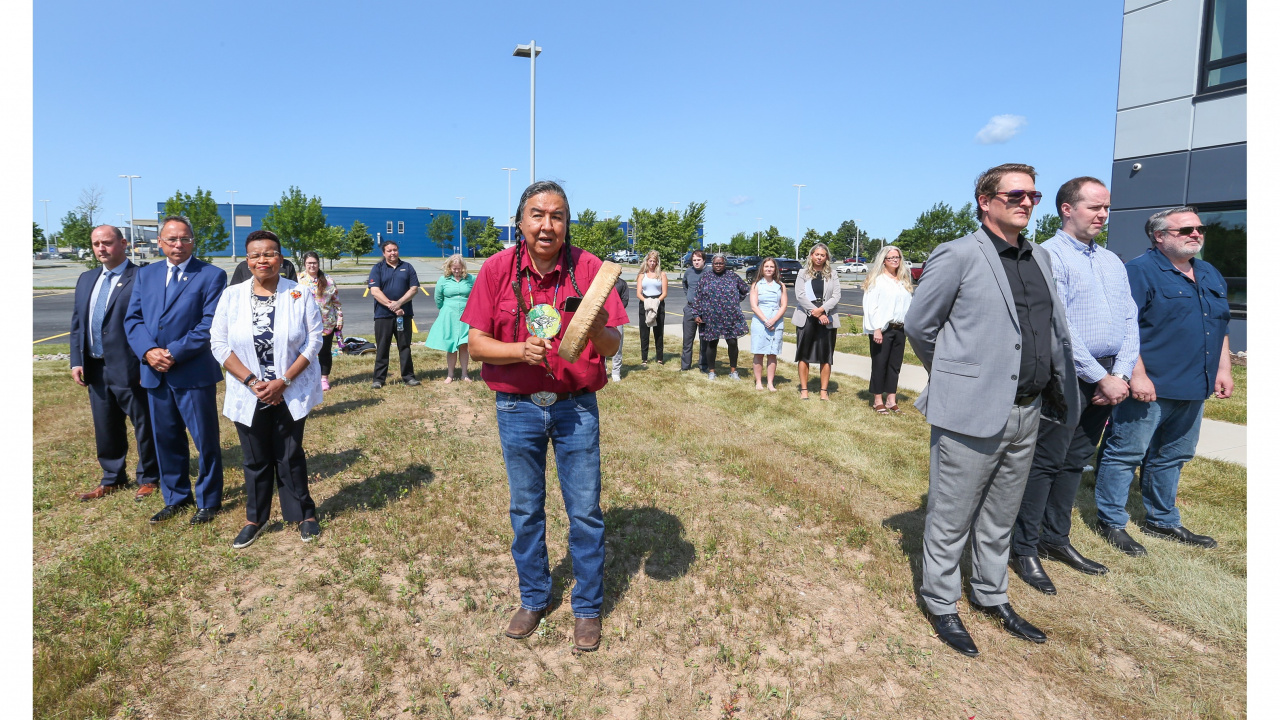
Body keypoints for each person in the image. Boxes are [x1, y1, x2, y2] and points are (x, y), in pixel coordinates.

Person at [904, 163, 1080, 657]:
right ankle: (941, 602)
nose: (1027, 202)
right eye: (1016, 194)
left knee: (1000, 515)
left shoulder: (1040, 258)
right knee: (951, 515)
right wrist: (959, 376)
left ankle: (989, 593)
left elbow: (1049, 331)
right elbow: (920, 326)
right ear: (986, 201)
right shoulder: (957, 254)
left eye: (1034, 195)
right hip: (971, 411)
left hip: (1028, 410)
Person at [462, 180, 626, 652]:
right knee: (526, 509)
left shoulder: (591, 270)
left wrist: (594, 323)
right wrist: (519, 351)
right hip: (517, 408)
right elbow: (475, 346)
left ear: (567, 223)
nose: (547, 224)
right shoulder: (496, 269)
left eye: (557, 215)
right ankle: (534, 597)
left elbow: (614, 346)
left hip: (576, 409)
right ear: (521, 222)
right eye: (537, 215)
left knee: (585, 512)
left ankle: (588, 608)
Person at [1010, 177, 1136, 594]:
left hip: (1108, 376)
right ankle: (1023, 546)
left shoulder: (1112, 261)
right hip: (1068, 373)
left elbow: (1129, 320)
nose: (1102, 214)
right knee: (1045, 462)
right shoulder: (1048, 256)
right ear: (1067, 209)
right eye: (1094, 207)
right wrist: (1099, 377)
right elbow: (1057, 326)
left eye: (1106, 208)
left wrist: (1119, 373)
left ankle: (1055, 537)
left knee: (1076, 459)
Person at [1092, 206, 1232, 555]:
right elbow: (1126, 328)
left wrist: (1223, 369)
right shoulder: (1139, 271)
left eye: (1199, 228)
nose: (1195, 234)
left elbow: (1221, 325)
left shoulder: (1210, 273)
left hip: (1194, 386)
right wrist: (1136, 375)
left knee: (1174, 454)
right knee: (1126, 453)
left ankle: (1163, 520)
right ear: (1159, 236)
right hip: (1150, 387)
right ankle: (1110, 521)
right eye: (1185, 230)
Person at [211, 230, 324, 548]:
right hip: (249, 391)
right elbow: (218, 343)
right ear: (247, 261)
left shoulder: (299, 294)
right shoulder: (231, 296)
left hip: (288, 389)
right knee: (255, 458)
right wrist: (250, 381)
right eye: (256, 255)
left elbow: (314, 340)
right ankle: (255, 518)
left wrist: (284, 381)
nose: (263, 260)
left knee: (290, 454)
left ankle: (304, 514)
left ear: (281, 258)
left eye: (270, 253)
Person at [124, 215, 229, 525]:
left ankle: (209, 501)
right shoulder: (146, 275)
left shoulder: (211, 275)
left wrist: (173, 352)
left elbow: (209, 323)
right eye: (171, 239)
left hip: (192, 372)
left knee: (204, 440)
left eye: (185, 238)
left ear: (193, 241)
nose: (178, 244)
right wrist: (148, 351)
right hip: (155, 373)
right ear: (160, 242)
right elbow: (133, 320)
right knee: (166, 439)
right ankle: (176, 498)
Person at [70, 225, 160, 501]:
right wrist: (76, 360)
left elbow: (149, 323)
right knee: (105, 424)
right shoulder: (87, 279)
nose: (101, 248)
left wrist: (146, 360)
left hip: (130, 365)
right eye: (96, 243)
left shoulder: (142, 277)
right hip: (95, 367)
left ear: (123, 243)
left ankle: (149, 476)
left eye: (107, 242)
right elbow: (77, 323)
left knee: (144, 423)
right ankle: (112, 477)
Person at [861, 245, 914, 413]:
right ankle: (878, 400)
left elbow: (908, 305)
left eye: (897, 257)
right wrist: (875, 328)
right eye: (891, 258)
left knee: (894, 365)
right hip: (883, 329)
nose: (895, 260)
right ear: (884, 261)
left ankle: (891, 399)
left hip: (900, 329)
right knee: (880, 364)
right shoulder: (877, 280)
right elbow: (871, 306)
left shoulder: (904, 281)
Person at [367, 240, 421, 388]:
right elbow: (375, 291)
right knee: (383, 347)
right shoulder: (377, 268)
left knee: (404, 346)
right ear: (384, 253)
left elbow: (414, 289)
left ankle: (408, 377)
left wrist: (400, 303)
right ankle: (378, 379)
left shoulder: (407, 267)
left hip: (404, 314)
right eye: (389, 251)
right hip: (382, 315)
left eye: (395, 250)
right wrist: (393, 306)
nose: (393, 253)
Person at [690, 253, 749, 380]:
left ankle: (733, 371)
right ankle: (712, 371)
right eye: (716, 263)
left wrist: (734, 300)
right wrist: (696, 313)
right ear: (712, 264)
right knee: (712, 344)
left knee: (732, 342)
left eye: (721, 263)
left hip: (730, 316)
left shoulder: (733, 276)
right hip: (711, 317)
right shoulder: (705, 277)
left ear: (725, 263)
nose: (718, 265)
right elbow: (697, 297)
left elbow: (744, 289)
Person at [793, 243, 841, 400]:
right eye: (817, 254)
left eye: (823, 255)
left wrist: (823, 310)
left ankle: (823, 391)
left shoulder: (832, 274)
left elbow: (836, 296)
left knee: (826, 356)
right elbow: (800, 296)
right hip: (806, 318)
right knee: (803, 354)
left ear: (826, 257)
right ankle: (804, 390)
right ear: (811, 255)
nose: (819, 257)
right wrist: (816, 313)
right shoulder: (803, 273)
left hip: (827, 318)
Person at [297, 251, 343, 391]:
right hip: (304, 323)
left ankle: (324, 378)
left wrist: (339, 318)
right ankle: (308, 377)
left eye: (314, 263)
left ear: (318, 264)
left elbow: (336, 302)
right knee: (306, 352)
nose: (312, 265)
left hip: (326, 323)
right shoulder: (298, 280)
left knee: (325, 352)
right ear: (304, 264)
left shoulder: (328, 280)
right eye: (309, 263)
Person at [425, 254, 475, 382]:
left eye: (459, 268)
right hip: (449, 315)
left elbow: (476, 295)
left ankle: (464, 374)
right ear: (449, 268)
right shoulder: (443, 280)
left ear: (463, 267)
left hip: (466, 315)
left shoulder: (471, 279)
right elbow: (438, 298)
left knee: (464, 345)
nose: (457, 271)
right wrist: (445, 309)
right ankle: (450, 375)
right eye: (454, 268)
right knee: (451, 345)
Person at [748, 257, 787, 391]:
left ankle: (770, 383)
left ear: (775, 269)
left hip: (776, 321)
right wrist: (765, 320)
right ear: (762, 269)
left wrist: (774, 320)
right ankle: (759, 382)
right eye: (766, 267)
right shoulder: (756, 285)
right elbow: (754, 306)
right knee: (759, 352)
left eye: (771, 267)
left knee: (772, 353)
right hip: (760, 321)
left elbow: (783, 305)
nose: (769, 269)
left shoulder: (781, 285)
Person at [635, 250, 668, 367]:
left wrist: (656, 301)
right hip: (644, 303)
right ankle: (644, 358)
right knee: (644, 332)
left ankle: (660, 358)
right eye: (650, 261)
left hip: (658, 303)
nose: (652, 263)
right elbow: (638, 293)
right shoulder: (641, 275)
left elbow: (664, 293)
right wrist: (647, 302)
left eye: (654, 261)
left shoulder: (662, 275)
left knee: (658, 332)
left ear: (657, 262)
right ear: (647, 261)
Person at [680, 250, 708, 372]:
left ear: (704, 260)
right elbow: (685, 284)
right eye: (694, 260)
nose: (696, 262)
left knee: (704, 341)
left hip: (705, 310)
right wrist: (689, 296)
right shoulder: (688, 272)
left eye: (698, 260)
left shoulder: (709, 272)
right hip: (690, 309)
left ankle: (703, 366)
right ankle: (685, 366)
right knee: (687, 340)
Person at [610, 274, 629, 382]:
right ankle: (603, 369)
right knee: (600, 344)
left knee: (618, 345)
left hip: (617, 317)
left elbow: (625, 300)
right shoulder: (600, 282)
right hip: (603, 316)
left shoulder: (622, 283)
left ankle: (616, 372)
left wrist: (615, 310)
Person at [230, 255, 297, 285]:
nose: (262, 261)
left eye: (269, 254)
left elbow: (294, 288)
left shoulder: (287, 265)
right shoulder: (242, 267)